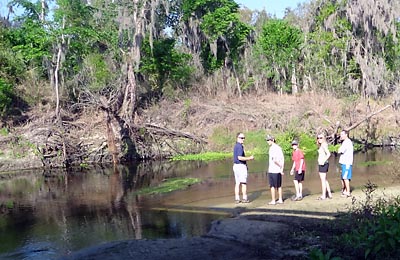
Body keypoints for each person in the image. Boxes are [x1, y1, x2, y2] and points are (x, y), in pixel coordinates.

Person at [233, 132, 254, 204]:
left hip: (236, 166)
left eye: (244, 138)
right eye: (241, 138)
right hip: (240, 166)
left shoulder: (236, 146)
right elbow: (239, 157)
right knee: (243, 183)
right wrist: (249, 158)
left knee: (237, 183)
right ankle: (244, 198)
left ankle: (237, 198)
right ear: (237, 138)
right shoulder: (239, 146)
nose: (243, 139)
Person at [266, 135, 284, 205]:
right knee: (279, 185)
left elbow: (274, 159)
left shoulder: (272, 148)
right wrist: (281, 168)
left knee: (272, 186)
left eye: (269, 140)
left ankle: (273, 200)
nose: (268, 141)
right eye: (267, 140)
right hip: (278, 170)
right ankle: (280, 199)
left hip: (273, 170)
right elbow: (282, 159)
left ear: (273, 140)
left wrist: (279, 165)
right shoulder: (279, 148)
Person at [338, 130, 354, 197]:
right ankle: (344, 190)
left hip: (347, 162)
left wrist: (339, 149)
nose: (341, 136)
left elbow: (340, 150)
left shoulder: (347, 142)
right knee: (343, 177)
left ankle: (348, 192)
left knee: (345, 177)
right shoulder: (345, 142)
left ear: (346, 135)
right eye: (340, 134)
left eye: (342, 134)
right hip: (344, 162)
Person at [316, 134, 332, 200]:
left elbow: (328, 154)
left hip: (323, 164)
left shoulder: (323, 145)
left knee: (323, 180)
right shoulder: (322, 145)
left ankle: (323, 195)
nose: (319, 139)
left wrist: (323, 161)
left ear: (324, 138)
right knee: (324, 179)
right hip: (323, 164)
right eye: (318, 138)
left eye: (321, 138)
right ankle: (329, 193)